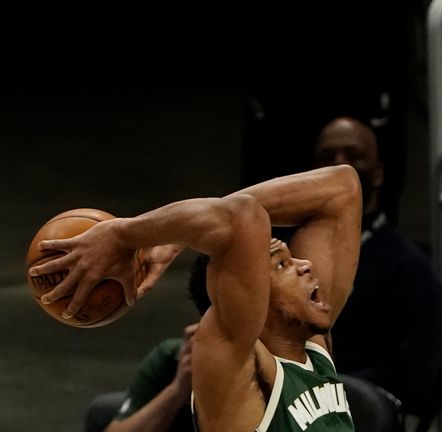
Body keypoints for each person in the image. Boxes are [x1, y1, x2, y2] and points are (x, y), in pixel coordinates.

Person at [31, 165, 362, 431]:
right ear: (253, 295)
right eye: (282, 263)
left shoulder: (314, 347)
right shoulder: (237, 365)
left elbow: (342, 189)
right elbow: (240, 218)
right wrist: (123, 235)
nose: (306, 266)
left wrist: (178, 236)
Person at [312, 115, 442, 418]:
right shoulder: (288, 250)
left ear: (378, 174)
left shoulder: (406, 268)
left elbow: (411, 377)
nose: (338, 165)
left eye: (353, 156)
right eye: (326, 156)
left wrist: (321, 389)